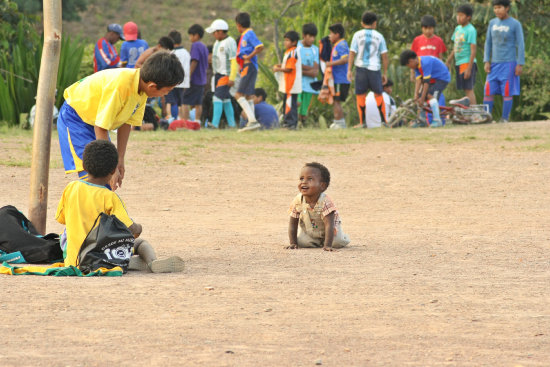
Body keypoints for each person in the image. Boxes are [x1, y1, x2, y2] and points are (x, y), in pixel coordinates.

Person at [56, 51, 184, 189]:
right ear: (152, 86)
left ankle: (101, 208)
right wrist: (111, 165)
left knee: (107, 176)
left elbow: (126, 123)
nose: (166, 94)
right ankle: (87, 207)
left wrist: (119, 160)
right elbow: (101, 127)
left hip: (96, 121)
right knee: (95, 174)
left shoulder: (142, 89)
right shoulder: (120, 87)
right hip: (77, 117)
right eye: (167, 91)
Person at [56, 140, 185, 273]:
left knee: (65, 235)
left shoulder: (71, 188)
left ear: (83, 165)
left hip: (74, 259)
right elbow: (130, 229)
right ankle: (152, 262)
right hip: (102, 254)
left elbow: (62, 219)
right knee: (140, 243)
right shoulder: (110, 197)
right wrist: (139, 227)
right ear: (113, 170)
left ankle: (128, 262)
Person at [287, 162, 350, 251]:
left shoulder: (325, 201)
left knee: (336, 243)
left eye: (310, 179)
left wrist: (328, 245)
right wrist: (293, 243)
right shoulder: (297, 201)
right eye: (301, 179)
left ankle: (337, 238)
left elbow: (329, 225)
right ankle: (316, 241)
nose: (304, 182)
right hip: (311, 231)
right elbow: (292, 224)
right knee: (302, 242)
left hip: (331, 231)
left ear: (322, 186)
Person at [483, 0, 525, 123]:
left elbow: (521, 44)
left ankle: (504, 118)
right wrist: (486, 60)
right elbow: (488, 42)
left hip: (509, 63)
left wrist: (520, 64)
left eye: (499, 7)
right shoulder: (492, 23)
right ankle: (486, 118)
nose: (497, 10)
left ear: (507, 8)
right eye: (495, 8)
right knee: (488, 90)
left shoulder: (515, 24)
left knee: (507, 91)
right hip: (494, 63)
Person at [348, 11, 389, 128]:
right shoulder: (379, 36)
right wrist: (385, 72)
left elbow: (352, 53)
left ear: (362, 23)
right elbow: (384, 56)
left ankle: (362, 122)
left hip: (360, 68)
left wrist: (349, 70)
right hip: (374, 69)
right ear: (375, 23)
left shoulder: (357, 35)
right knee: (378, 94)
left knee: (360, 95)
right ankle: (384, 122)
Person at [400, 50, 450, 127]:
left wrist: (423, 98)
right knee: (420, 97)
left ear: (411, 61)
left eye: (408, 65)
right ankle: (422, 120)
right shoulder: (417, 66)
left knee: (430, 95)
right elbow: (418, 81)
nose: (409, 67)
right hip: (433, 79)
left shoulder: (425, 63)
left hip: (442, 78)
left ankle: (437, 120)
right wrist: (416, 95)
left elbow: (426, 83)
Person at [235, 12, 265, 132]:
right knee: (248, 96)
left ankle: (252, 121)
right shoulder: (245, 35)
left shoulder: (249, 33)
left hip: (250, 66)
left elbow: (260, 46)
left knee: (238, 94)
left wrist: (249, 57)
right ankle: (252, 122)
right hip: (247, 66)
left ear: (238, 24)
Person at [205, 19, 238, 129]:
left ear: (220, 31)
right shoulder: (217, 43)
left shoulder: (230, 42)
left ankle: (214, 124)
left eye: (214, 32)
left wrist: (232, 77)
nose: (214, 35)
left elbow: (234, 60)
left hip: (226, 75)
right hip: (218, 74)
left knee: (217, 98)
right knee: (226, 100)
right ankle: (232, 124)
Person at [446, 4, 478, 105]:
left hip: (466, 61)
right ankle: (470, 112)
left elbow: (473, 50)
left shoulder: (471, 30)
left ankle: (475, 113)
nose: (458, 17)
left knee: (468, 89)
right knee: (465, 88)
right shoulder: (458, 29)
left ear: (468, 17)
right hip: (459, 62)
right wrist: (448, 61)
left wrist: (469, 67)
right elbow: (456, 47)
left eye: (461, 15)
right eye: (457, 15)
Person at [273, 30, 302, 130]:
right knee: (288, 103)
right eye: (284, 40)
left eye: (287, 40)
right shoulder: (288, 52)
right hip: (288, 83)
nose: (285, 42)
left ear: (294, 42)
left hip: (291, 83)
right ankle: (287, 122)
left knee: (290, 104)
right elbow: (288, 65)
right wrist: (280, 66)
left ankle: (291, 123)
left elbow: (289, 69)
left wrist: (278, 69)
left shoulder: (293, 52)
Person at [181, 24, 209, 123]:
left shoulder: (195, 45)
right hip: (202, 79)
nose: (190, 38)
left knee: (184, 100)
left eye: (191, 35)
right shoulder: (204, 46)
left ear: (196, 35)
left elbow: (194, 61)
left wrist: (188, 76)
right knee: (198, 103)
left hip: (194, 79)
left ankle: (186, 121)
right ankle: (197, 121)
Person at [325, 23, 350, 129]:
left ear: (337, 34)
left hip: (341, 79)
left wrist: (331, 64)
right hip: (336, 79)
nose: (329, 36)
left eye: (331, 33)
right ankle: (338, 122)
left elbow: (346, 59)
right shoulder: (336, 45)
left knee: (337, 100)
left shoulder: (342, 45)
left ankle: (340, 123)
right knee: (335, 100)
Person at [297, 23, 320, 127]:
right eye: (310, 36)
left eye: (313, 37)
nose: (312, 39)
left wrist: (301, 69)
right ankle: (294, 124)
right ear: (304, 35)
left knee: (304, 110)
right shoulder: (297, 46)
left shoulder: (315, 49)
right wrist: (309, 70)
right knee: (297, 103)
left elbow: (315, 71)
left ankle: (303, 125)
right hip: (297, 83)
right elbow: (295, 64)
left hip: (309, 85)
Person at [165, 30, 191, 121]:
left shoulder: (171, 53)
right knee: (181, 102)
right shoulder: (186, 53)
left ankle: (172, 119)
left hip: (172, 80)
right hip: (183, 81)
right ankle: (182, 119)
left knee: (171, 102)